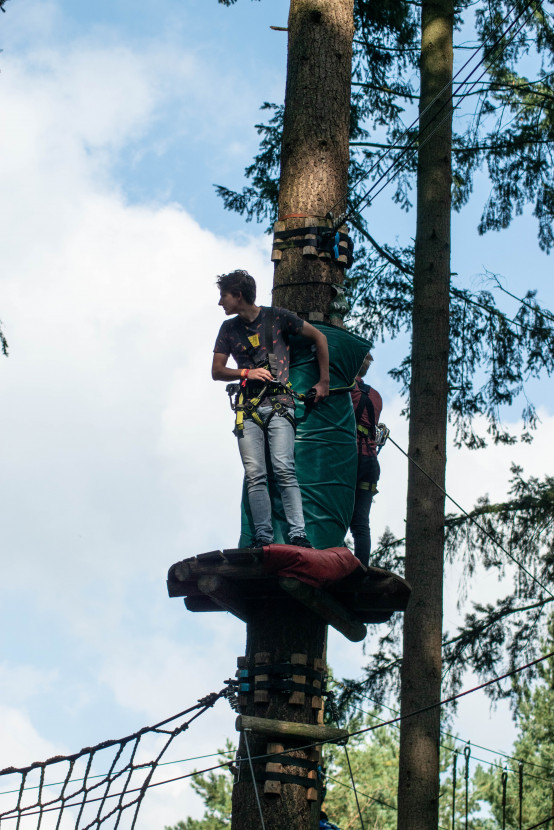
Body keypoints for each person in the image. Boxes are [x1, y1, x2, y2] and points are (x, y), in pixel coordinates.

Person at [212, 269, 330, 548]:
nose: (220, 303)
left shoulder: (278, 317)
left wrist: (324, 382)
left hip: (279, 405)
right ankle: (263, 538)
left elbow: (320, 339)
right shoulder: (228, 329)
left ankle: (297, 534)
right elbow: (217, 371)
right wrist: (246, 374)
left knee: (283, 469)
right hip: (248, 409)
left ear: (238, 295)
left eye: (223, 296)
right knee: (256, 475)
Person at [349, 352, 383, 566]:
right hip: (371, 462)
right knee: (361, 524)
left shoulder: (346, 390)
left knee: (337, 514)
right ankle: (361, 568)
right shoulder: (376, 396)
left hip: (351, 459)